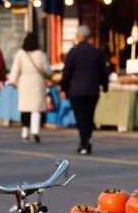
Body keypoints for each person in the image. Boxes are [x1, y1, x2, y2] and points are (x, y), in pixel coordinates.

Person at [60, 25, 108, 155]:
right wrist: (105, 86)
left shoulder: (73, 52)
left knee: (80, 117)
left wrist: (63, 87)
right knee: (89, 116)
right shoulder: (97, 52)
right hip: (92, 90)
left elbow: (67, 72)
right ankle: (86, 140)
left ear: (78, 36)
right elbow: (103, 71)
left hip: (76, 91)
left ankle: (84, 143)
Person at [8, 32, 52, 143]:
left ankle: (24, 132)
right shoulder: (41, 54)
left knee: (25, 108)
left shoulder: (20, 54)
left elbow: (15, 70)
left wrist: (12, 81)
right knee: (36, 109)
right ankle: (35, 131)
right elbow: (47, 70)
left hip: (24, 83)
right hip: (37, 82)